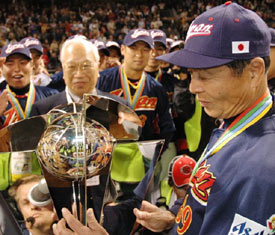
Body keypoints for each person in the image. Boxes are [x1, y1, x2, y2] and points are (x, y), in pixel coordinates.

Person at [54, 3, 275, 235]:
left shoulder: (261, 169)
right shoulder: (238, 121)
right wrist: (175, 221)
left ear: (254, 71)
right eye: (191, 74)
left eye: (206, 76)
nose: (193, 87)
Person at [97, 28, 175, 199]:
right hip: (108, 162)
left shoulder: (156, 88)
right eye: (134, 48)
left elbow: (167, 126)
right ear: (123, 50)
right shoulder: (103, 80)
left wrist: (154, 156)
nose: (139, 54)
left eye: (145, 49)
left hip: (141, 165)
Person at [0, 42, 58, 129]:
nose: (17, 69)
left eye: (22, 63)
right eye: (10, 64)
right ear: (2, 68)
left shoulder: (51, 95)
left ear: (32, 65)